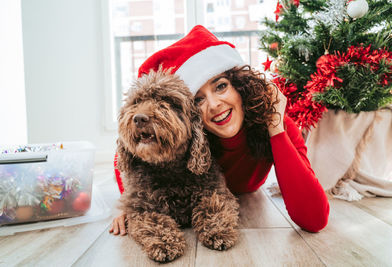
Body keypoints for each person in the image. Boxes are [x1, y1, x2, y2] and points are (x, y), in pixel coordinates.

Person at [109, 25, 329, 236]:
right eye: (198, 99)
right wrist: (127, 201)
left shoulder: (274, 120)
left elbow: (315, 219)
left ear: (240, 85)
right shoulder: (187, 137)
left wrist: (276, 129)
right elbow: (127, 155)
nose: (214, 105)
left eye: (221, 86)